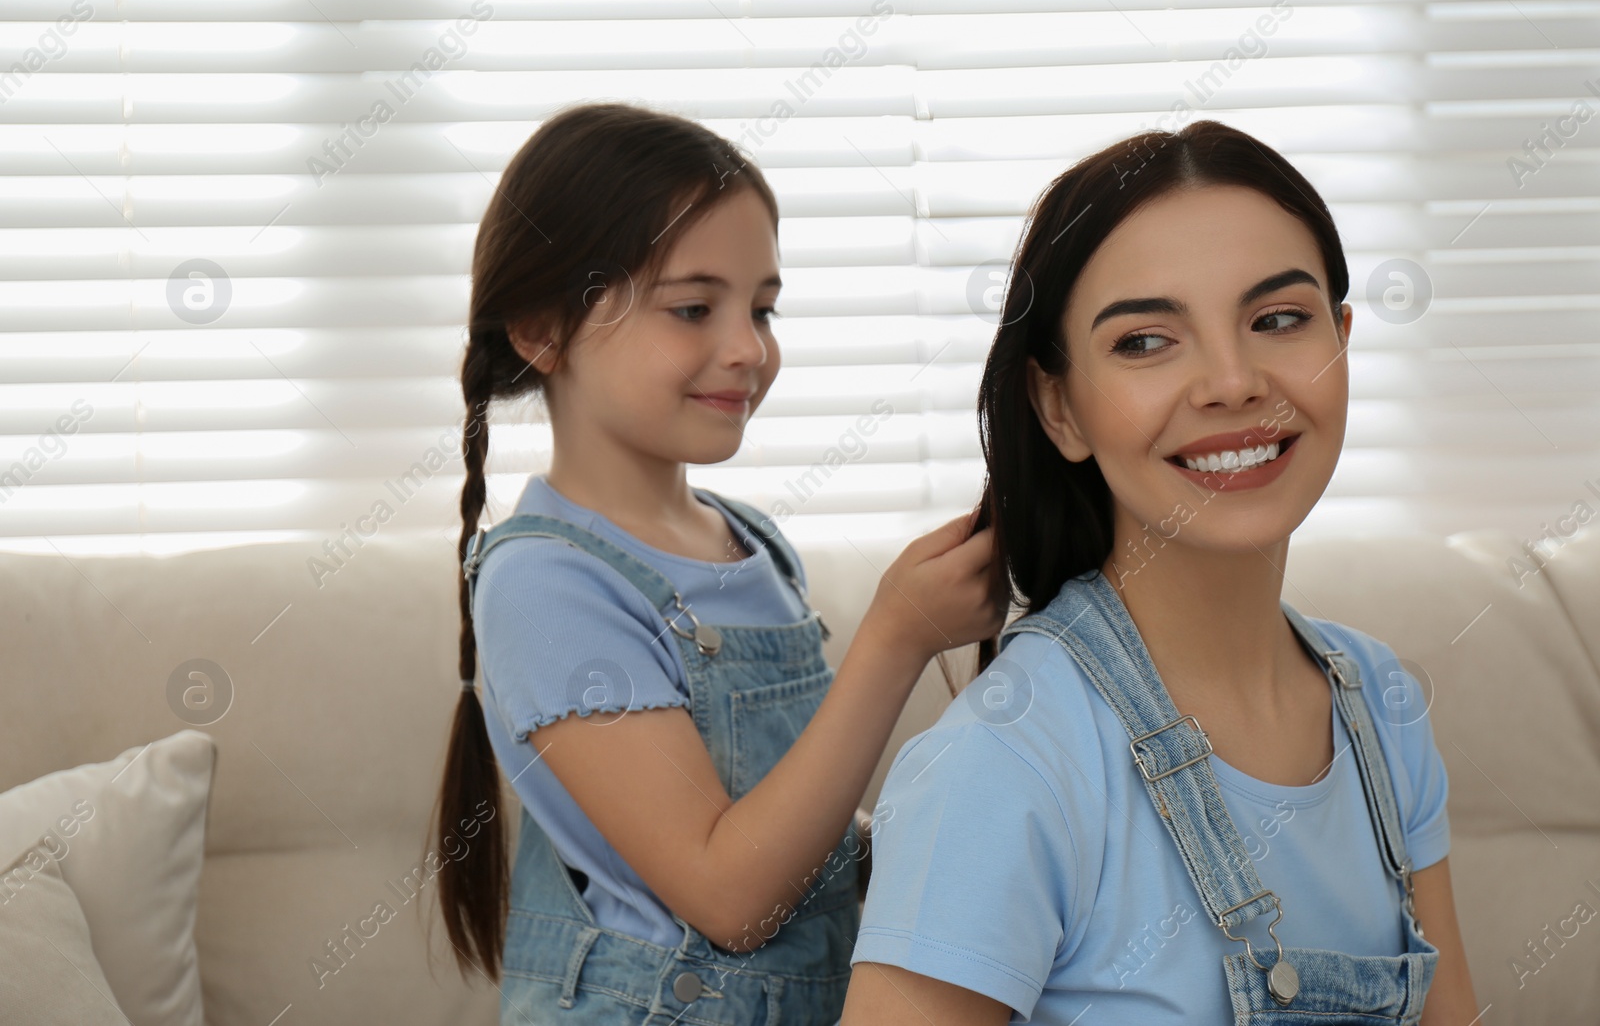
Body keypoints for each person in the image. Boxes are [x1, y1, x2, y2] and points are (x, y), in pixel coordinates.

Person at [841, 120, 1482, 1025]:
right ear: (1057, 405)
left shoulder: (1379, 701)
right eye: (1145, 340)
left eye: (1279, 320)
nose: (1233, 380)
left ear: (1341, 339)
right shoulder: (1005, 762)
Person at [428, 100, 1007, 1025]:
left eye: (763, 308)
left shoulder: (750, 541)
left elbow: (788, 828)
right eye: (694, 307)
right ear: (541, 328)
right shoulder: (545, 583)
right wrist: (899, 636)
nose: (748, 349)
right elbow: (732, 897)